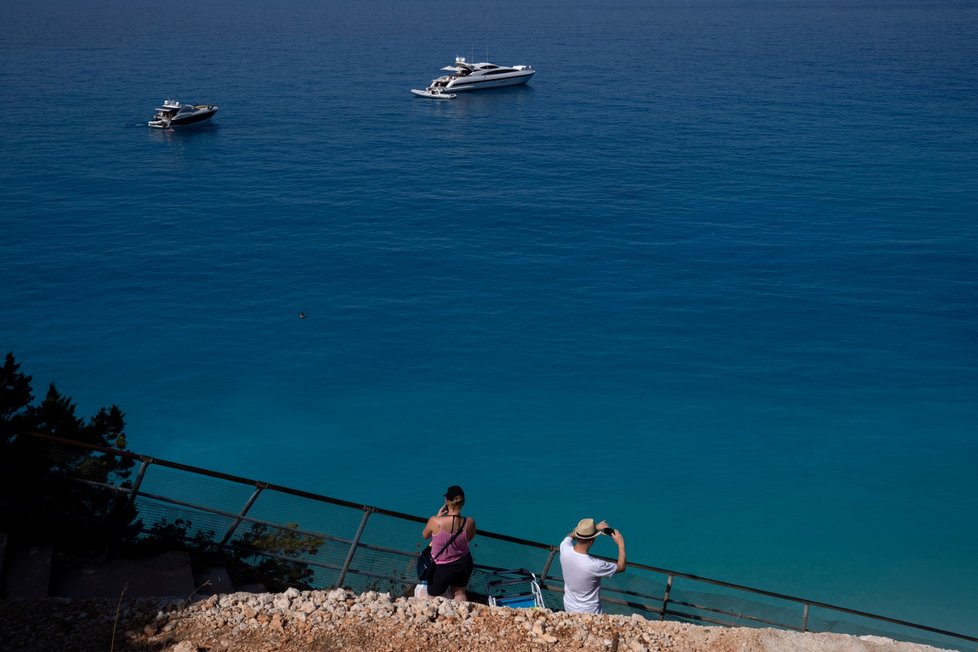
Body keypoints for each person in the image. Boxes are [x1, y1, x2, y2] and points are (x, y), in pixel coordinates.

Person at [421, 485, 477, 601]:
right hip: (463, 562)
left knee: (432, 596)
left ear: (446, 501)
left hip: (442, 566)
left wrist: (438, 516)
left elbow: (425, 535)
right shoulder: (470, 522)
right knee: (459, 592)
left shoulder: (435, 521)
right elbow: (469, 538)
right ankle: (462, 616)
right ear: (463, 502)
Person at [559, 518, 626, 614]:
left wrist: (592, 530)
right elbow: (621, 567)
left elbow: (569, 536)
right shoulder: (595, 565)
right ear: (591, 541)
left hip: (569, 605)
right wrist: (621, 543)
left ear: (577, 536)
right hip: (589, 612)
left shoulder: (564, 548)